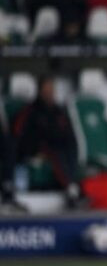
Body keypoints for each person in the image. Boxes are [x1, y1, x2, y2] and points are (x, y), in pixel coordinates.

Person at [12, 76, 82, 208]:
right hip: (38, 149)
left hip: (60, 147)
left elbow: (67, 133)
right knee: (55, 152)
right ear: (40, 91)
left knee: (70, 148)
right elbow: (18, 135)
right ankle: (71, 189)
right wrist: (31, 152)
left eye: (52, 89)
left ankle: (73, 189)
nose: (50, 93)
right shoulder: (31, 111)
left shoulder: (58, 111)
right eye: (46, 89)